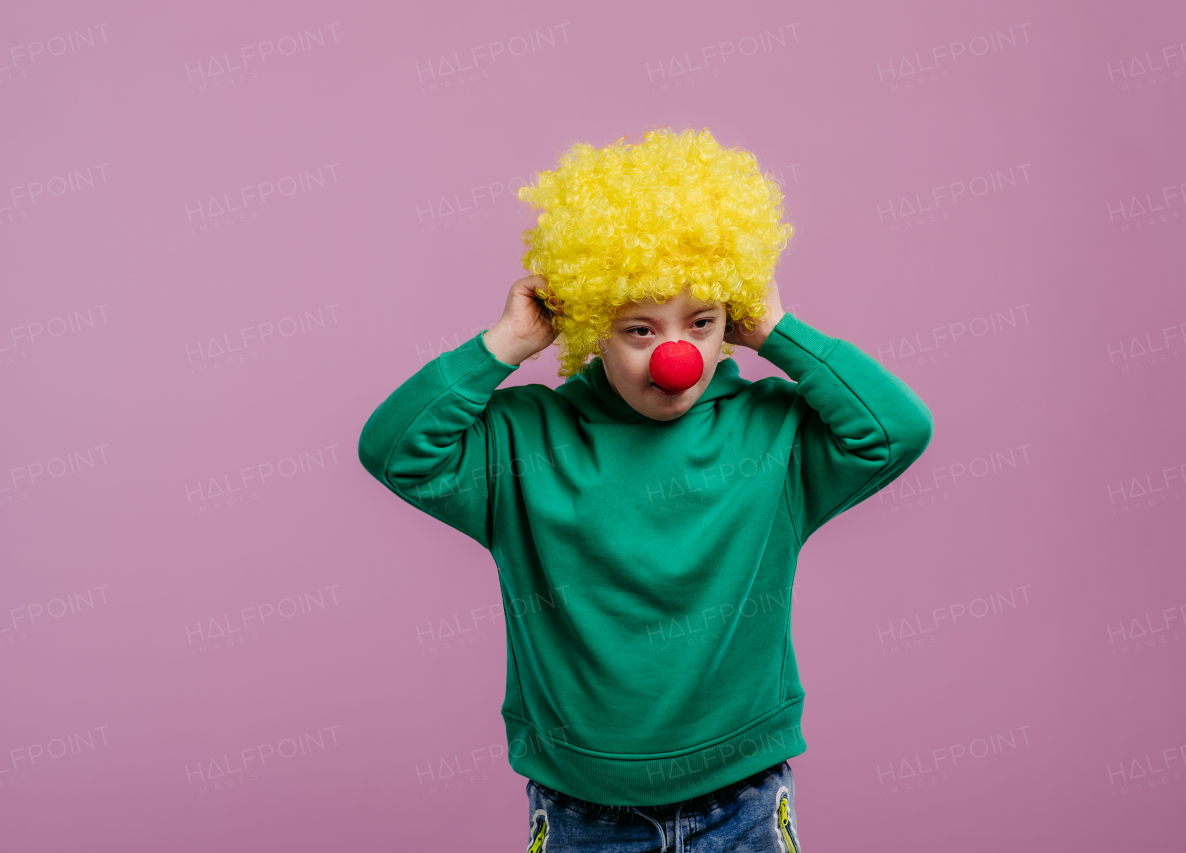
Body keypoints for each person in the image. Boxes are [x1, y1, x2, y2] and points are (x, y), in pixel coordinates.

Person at [358, 127, 933, 851]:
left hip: (744, 800)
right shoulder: (523, 441)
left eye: (702, 321)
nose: (676, 357)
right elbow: (394, 450)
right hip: (582, 812)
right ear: (591, 325)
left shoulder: (773, 437)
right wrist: (505, 344)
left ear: (732, 316)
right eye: (639, 328)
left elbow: (896, 429)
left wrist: (779, 332)